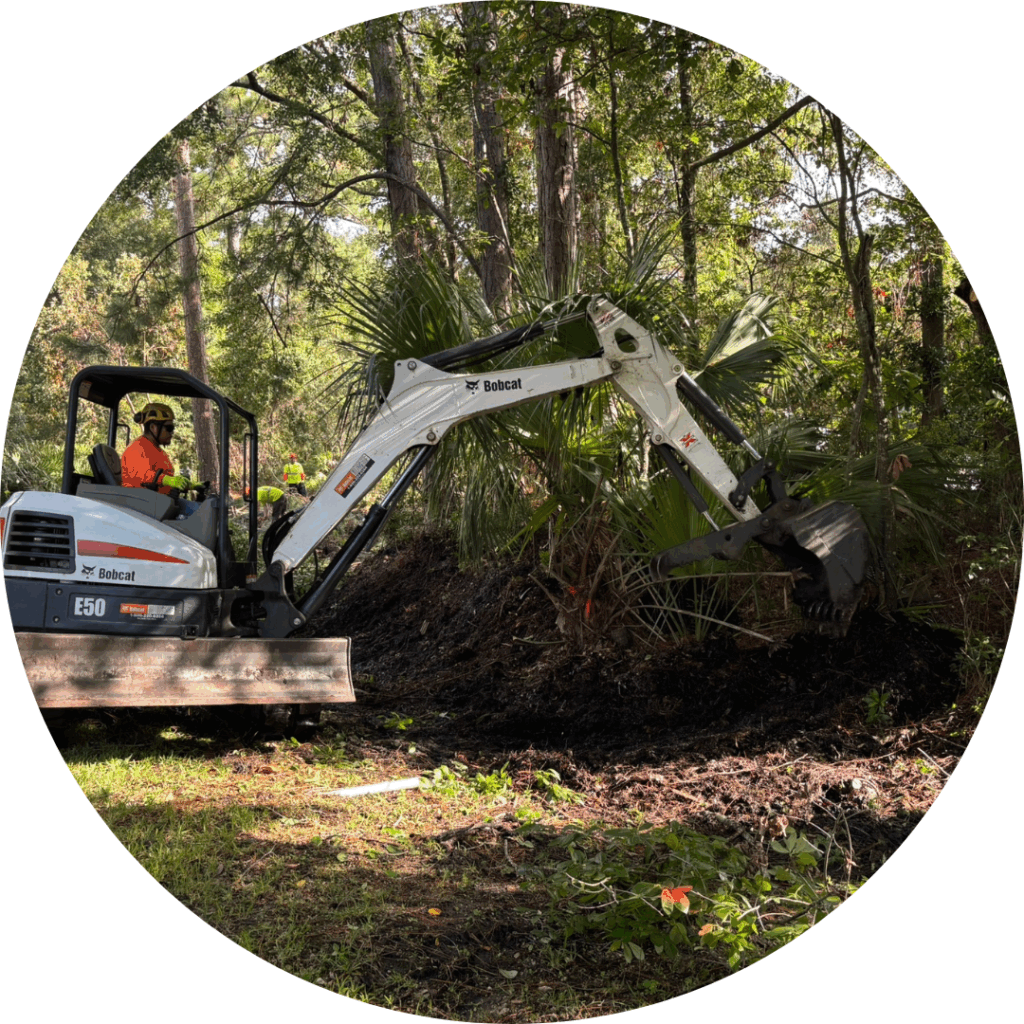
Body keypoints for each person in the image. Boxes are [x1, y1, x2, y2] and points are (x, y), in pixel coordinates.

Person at [121, 402, 199, 516]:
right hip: (142, 508)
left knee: (203, 511)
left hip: (161, 503)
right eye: (169, 428)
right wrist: (167, 480)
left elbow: (167, 477)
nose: (172, 433)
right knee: (198, 516)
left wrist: (190, 485)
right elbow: (142, 475)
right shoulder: (136, 448)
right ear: (153, 427)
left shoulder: (158, 451)